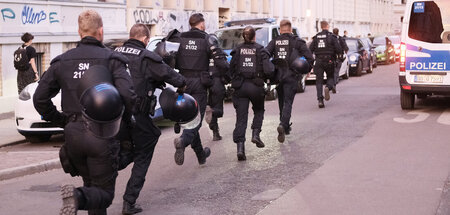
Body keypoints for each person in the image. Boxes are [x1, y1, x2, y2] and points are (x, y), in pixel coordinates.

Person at [33, 10, 136, 215]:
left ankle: (82, 196)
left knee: (93, 188)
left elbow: (39, 99)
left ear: (79, 32)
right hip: (102, 133)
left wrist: (63, 121)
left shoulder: (62, 61)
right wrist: (122, 122)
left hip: (73, 136)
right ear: (101, 31)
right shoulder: (112, 59)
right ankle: (78, 196)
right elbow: (128, 96)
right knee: (104, 194)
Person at [114, 24, 186, 215]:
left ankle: (102, 180)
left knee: (119, 151)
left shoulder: (114, 53)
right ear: (146, 40)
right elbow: (171, 76)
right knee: (147, 145)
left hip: (113, 116)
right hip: (137, 115)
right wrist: (182, 84)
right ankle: (129, 201)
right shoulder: (146, 57)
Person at [168, 13, 228, 165]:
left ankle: (201, 155)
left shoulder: (179, 38)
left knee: (189, 119)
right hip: (199, 84)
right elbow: (221, 63)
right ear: (201, 24)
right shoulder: (207, 39)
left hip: (182, 83)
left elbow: (165, 56)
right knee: (196, 121)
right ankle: (183, 141)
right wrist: (229, 76)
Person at [229, 26, 274, 160]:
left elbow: (230, 69)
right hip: (256, 86)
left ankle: (240, 149)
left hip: (240, 87)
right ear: (255, 37)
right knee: (259, 110)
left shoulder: (237, 50)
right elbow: (269, 70)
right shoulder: (260, 50)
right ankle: (255, 134)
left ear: (243, 37)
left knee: (241, 118)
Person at [266, 20, 314, 143]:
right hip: (291, 75)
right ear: (290, 29)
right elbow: (309, 58)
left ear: (280, 30)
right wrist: (305, 68)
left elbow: (265, 54)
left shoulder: (275, 41)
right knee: (288, 102)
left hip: (278, 76)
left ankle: (285, 126)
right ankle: (283, 124)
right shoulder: (297, 41)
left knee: (281, 100)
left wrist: (269, 70)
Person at [310, 21, 342, 108]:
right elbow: (339, 49)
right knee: (330, 77)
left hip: (319, 61)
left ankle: (320, 100)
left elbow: (310, 49)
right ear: (327, 26)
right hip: (329, 60)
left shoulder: (316, 37)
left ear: (321, 27)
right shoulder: (332, 37)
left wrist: (312, 60)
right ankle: (328, 87)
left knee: (319, 80)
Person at [205, 41, 230, 141]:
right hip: (217, 83)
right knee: (218, 110)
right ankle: (215, 132)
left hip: (205, 82)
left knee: (210, 106)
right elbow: (225, 67)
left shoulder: (204, 54)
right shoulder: (219, 54)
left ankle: (215, 133)